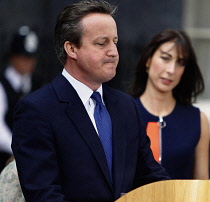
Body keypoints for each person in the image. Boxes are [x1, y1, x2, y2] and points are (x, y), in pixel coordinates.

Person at [11, 1, 170, 201]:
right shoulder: (37, 110)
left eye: (115, 41)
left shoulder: (127, 106)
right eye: (101, 43)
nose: (113, 51)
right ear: (71, 49)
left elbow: (150, 176)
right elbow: (44, 194)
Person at [131, 29, 209, 179]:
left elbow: (201, 187)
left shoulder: (198, 120)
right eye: (165, 58)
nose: (171, 70)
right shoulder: (123, 111)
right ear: (148, 60)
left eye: (180, 63)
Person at [0, 25, 41, 172]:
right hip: (6, 160)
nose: (28, 63)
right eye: (23, 57)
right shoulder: (2, 85)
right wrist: (19, 149)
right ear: (13, 57)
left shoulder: (37, 84)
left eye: (31, 58)